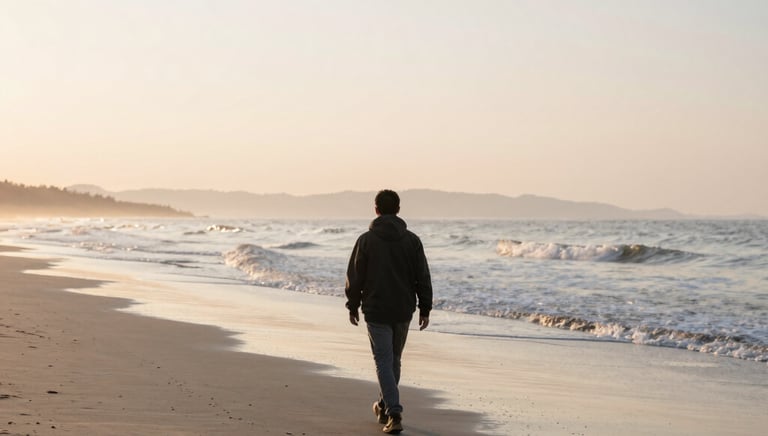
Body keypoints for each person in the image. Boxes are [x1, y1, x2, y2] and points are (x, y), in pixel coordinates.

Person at [345, 189, 433, 434]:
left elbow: (355, 275)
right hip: (404, 309)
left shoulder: (366, 240)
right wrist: (425, 307)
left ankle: (394, 412)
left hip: (376, 308)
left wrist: (352, 305)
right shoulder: (412, 241)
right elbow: (422, 277)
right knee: (393, 360)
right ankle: (383, 406)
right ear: (398, 209)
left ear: (376, 209)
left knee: (384, 360)